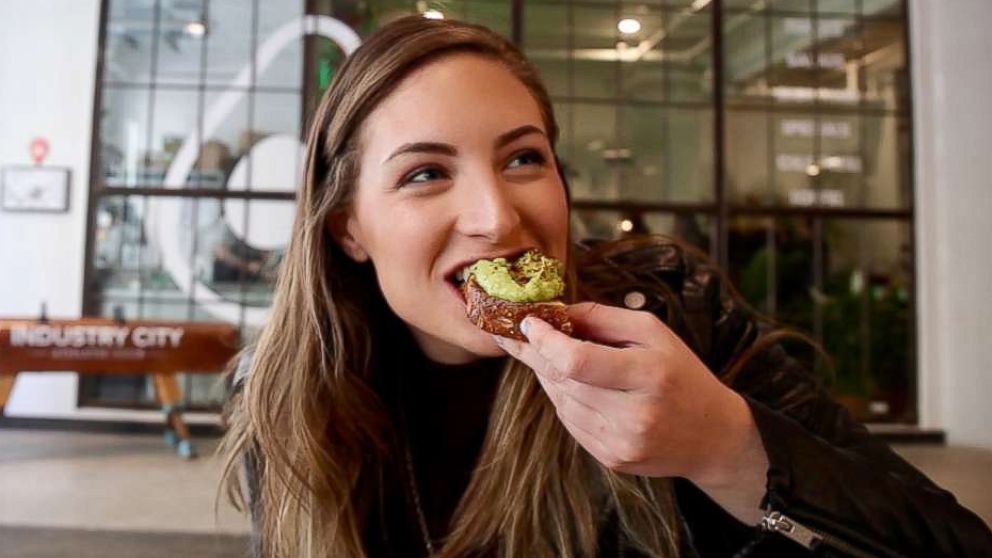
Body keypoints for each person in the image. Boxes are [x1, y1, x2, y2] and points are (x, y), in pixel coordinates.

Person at [219, 16, 992, 558]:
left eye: (524, 158)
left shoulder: (677, 318)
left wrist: (727, 446)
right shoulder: (286, 401)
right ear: (348, 228)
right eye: (426, 174)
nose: (496, 217)